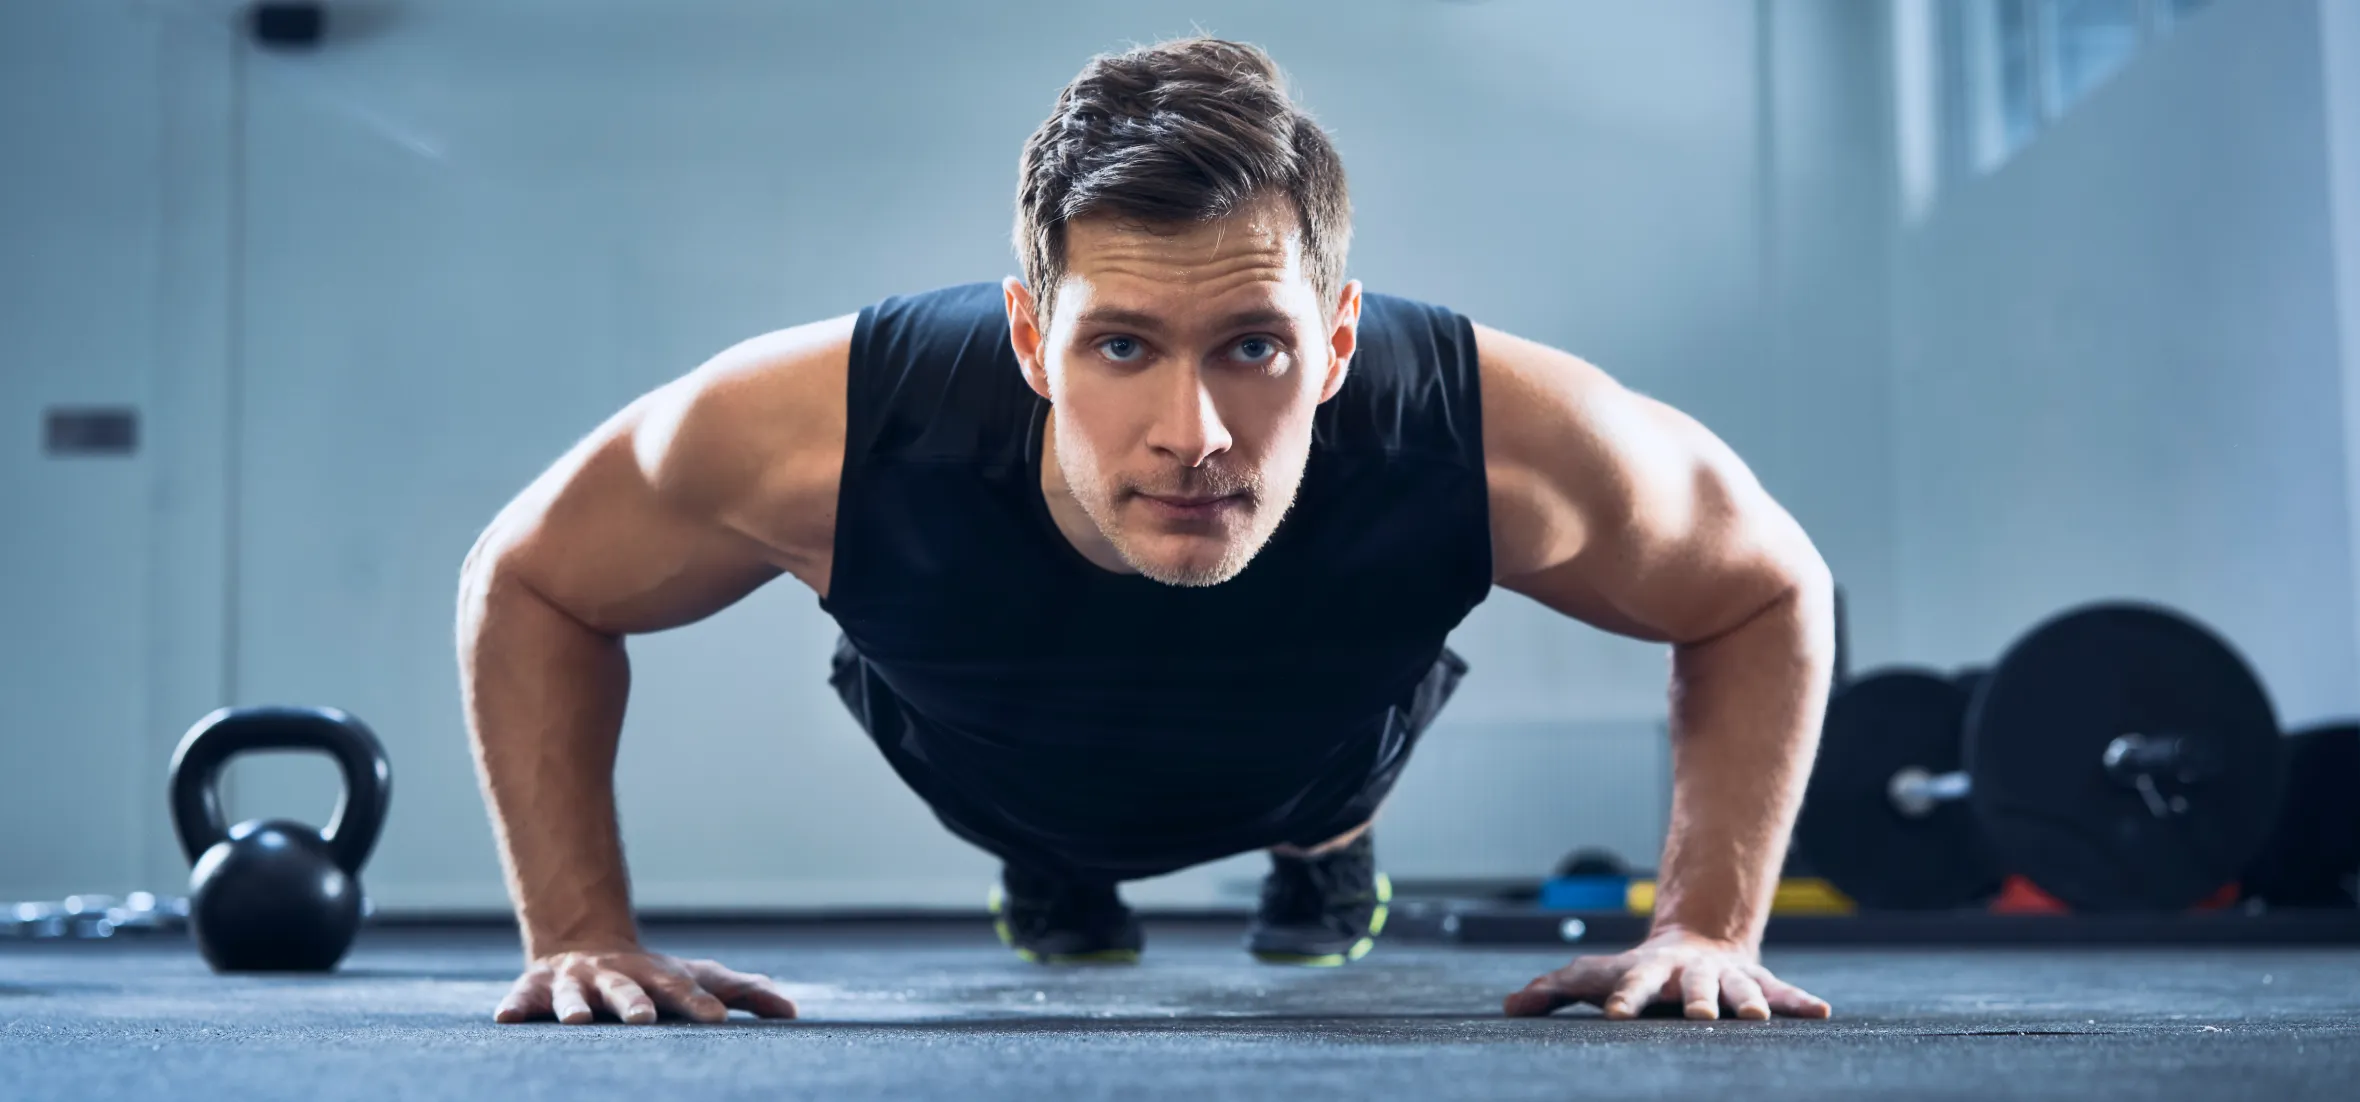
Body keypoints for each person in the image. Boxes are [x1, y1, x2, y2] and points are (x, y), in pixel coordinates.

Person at [457, 36, 1836, 1027]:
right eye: (1121, 344)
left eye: (1254, 345)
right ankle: (1058, 867)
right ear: (1030, 338)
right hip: (988, 754)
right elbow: (531, 581)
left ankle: (1325, 853)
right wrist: (578, 933)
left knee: (1331, 757)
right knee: (1042, 813)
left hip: (1314, 750)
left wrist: (1706, 928)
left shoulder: (1495, 438)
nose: (1196, 432)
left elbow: (1764, 592)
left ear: (1338, 339)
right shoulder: (818, 431)